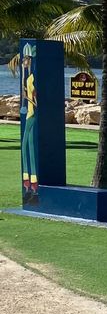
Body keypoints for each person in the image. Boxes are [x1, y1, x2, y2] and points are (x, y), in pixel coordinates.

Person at [19, 43, 38, 204]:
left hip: (32, 115)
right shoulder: (26, 77)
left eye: (26, 59)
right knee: (30, 147)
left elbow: (37, 101)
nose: (24, 62)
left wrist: (28, 99)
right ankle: (31, 184)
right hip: (28, 114)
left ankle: (29, 180)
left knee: (25, 145)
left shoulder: (32, 78)